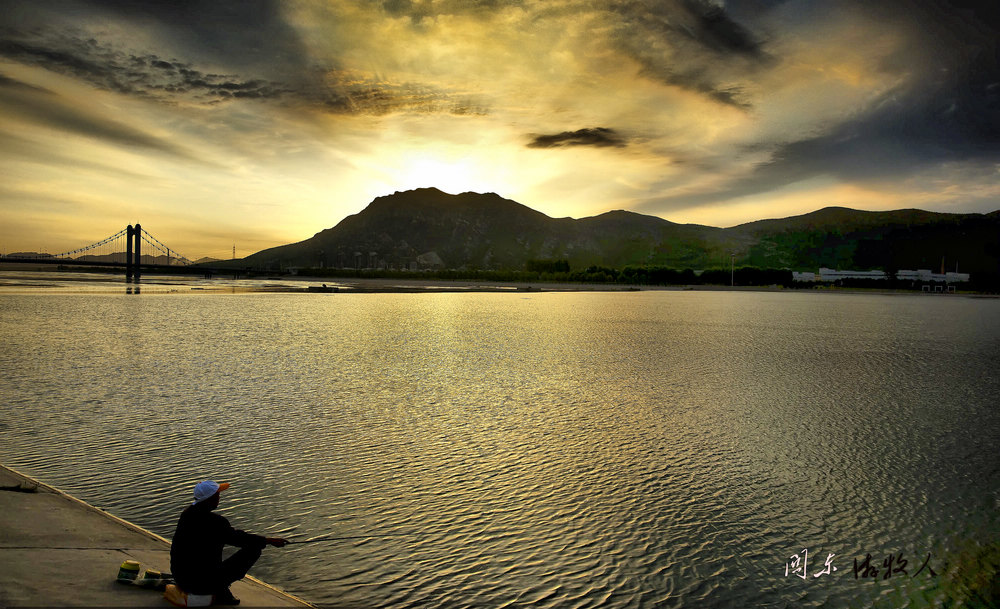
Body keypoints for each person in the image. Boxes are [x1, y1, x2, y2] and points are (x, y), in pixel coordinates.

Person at [169, 480, 288, 605]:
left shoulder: (186, 514)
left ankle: (216, 586)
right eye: (217, 495)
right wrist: (269, 541)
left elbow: (233, 536)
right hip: (200, 584)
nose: (219, 497)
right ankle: (219, 589)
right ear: (210, 498)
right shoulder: (215, 522)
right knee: (254, 548)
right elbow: (239, 538)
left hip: (180, 577)